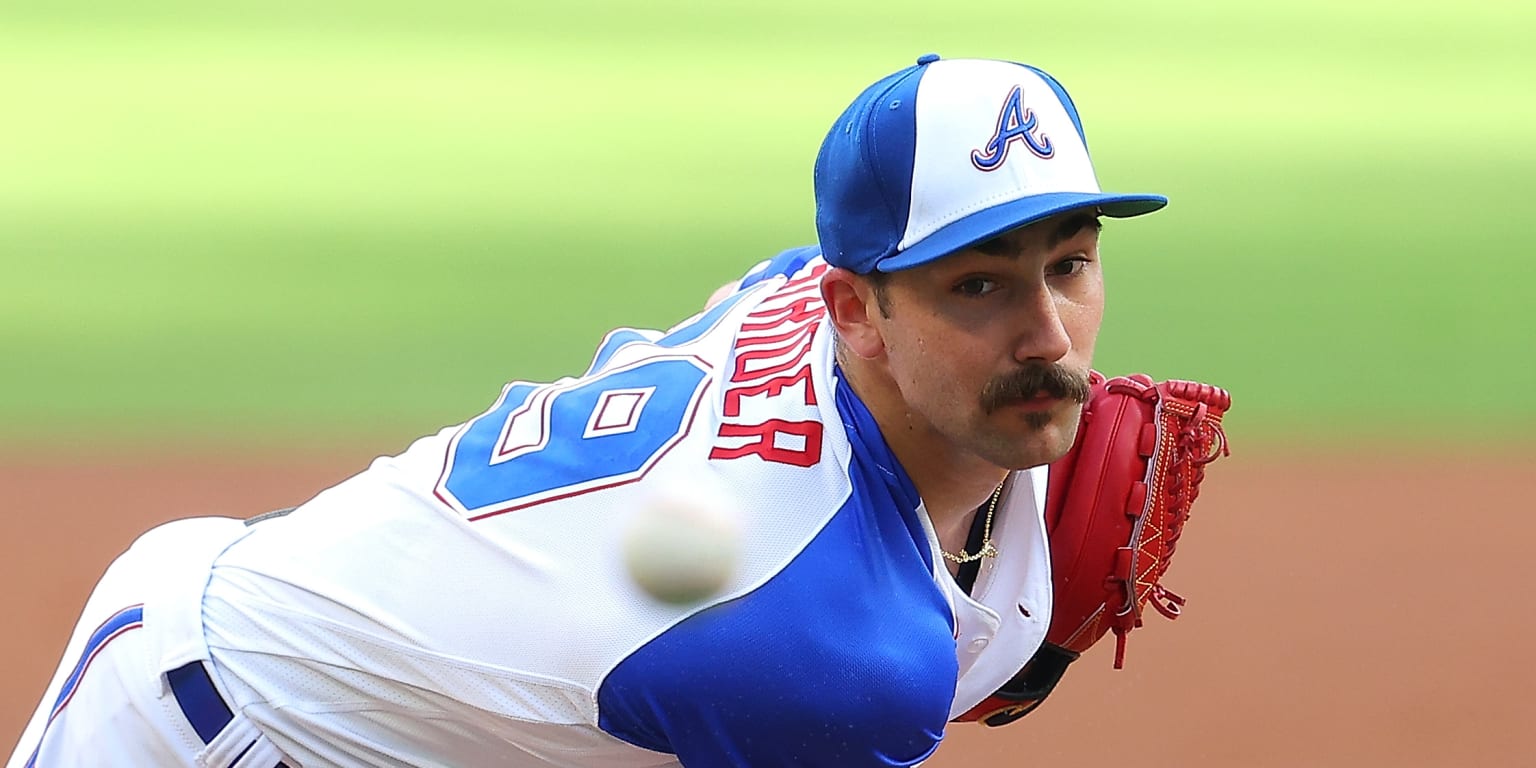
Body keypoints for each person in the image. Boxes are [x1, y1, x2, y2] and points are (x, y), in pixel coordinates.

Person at [9, 53, 1168, 767]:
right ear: (855, 308)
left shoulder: (800, 291)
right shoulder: (824, 645)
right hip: (217, 726)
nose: (1049, 338)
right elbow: (813, 636)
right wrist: (983, 651)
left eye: (1068, 265)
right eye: (978, 283)